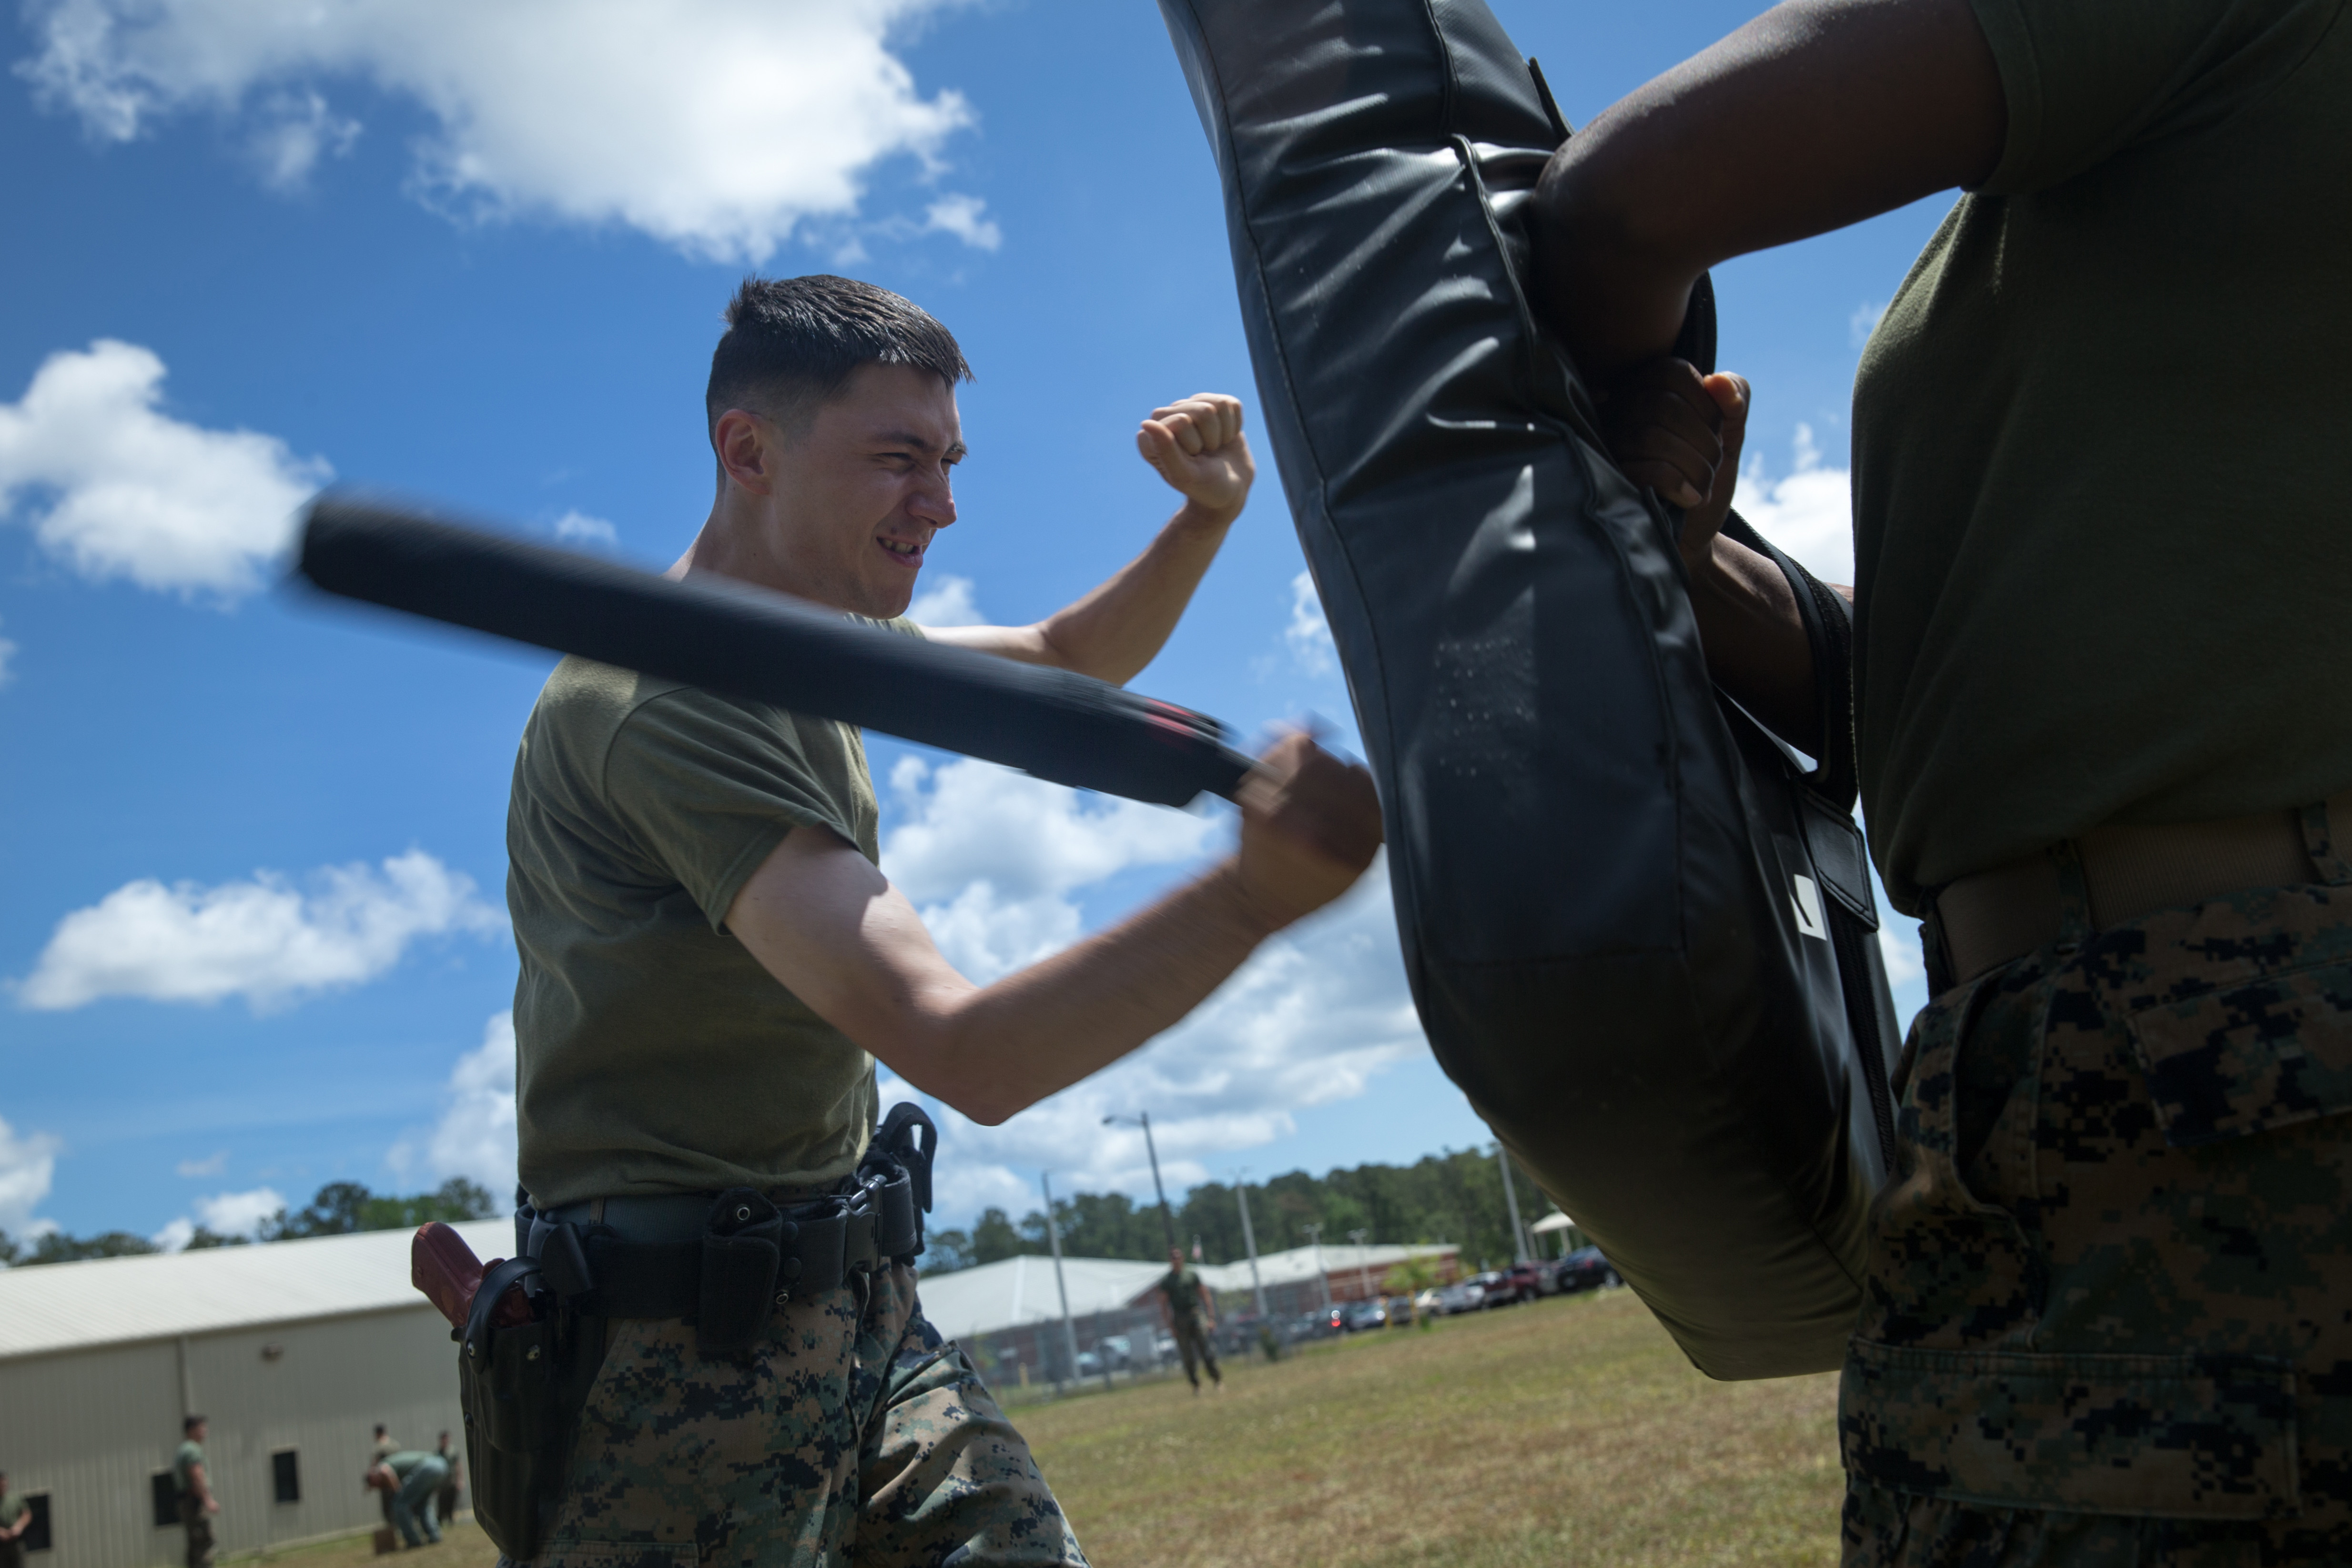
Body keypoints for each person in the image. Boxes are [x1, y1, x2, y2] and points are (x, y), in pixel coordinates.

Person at [1530, 0, 2352, 1561]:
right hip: (2066, 1048)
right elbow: (1930, 684)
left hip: (2238, 1032)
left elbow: (1622, 197)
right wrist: (1682, 555)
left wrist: (1599, 378)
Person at [506, 273, 1383, 1566]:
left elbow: (1070, 661)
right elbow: (968, 1051)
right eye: (898, 459)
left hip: (857, 1298)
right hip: (677, 1356)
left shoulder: (816, 651)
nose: (944, 503)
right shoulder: (667, 703)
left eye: (950, 461)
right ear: (749, 452)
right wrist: (1254, 898)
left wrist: (1205, 517)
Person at [1155, 1245, 1221, 1393]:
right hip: (1180, 1318)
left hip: (1195, 1314)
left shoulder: (1191, 1275)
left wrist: (1211, 1317)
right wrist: (1171, 1326)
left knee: (1207, 1350)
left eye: (1178, 1256)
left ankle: (1217, 1380)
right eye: (1173, 1257)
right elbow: (1163, 1305)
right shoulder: (1167, 1281)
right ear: (1170, 1260)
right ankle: (1196, 1385)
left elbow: (1204, 1294)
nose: (1176, 1259)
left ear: (1183, 1258)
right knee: (1188, 1356)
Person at [363, 1451, 450, 1549]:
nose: (379, 1487)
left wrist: (398, 1492)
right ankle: (434, 1535)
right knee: (422, 1504)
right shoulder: (392, 1465)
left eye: (375, 1485)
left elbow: (385, 1472)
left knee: (399, 1504)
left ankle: (413, 1541)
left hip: (428, 1467)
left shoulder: (382, 1467)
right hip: (442, 1466)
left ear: (373, 1477)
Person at [173, 1416, 218, 1568]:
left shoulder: (183, 1449)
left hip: (186, 1502)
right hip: (194, 1503)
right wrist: (208, 1500)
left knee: (194, 1545)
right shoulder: (192, 1450)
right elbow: (197, 1475)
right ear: (192, 1430)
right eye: (202, 1428)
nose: (206, 1431)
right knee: (203, 1542)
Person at [0, 1471, 30, 1568]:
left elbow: (26, 1514)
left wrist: (19, 1527)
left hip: (16, 1542)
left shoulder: (15, 1498)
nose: (3, 1486)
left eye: (4, 1483)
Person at [431, 1433, 460, 1528]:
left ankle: (451, 1520)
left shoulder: (453, 1451)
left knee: (452, 1501)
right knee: (442, 1502)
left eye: (447, 1439)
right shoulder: (437, 1453)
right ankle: (440, 1520)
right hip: (442, 1483)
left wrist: (459, 1481)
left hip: (452, 1481)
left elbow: (458, 1466)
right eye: (444, 1439)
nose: (445, 1441)